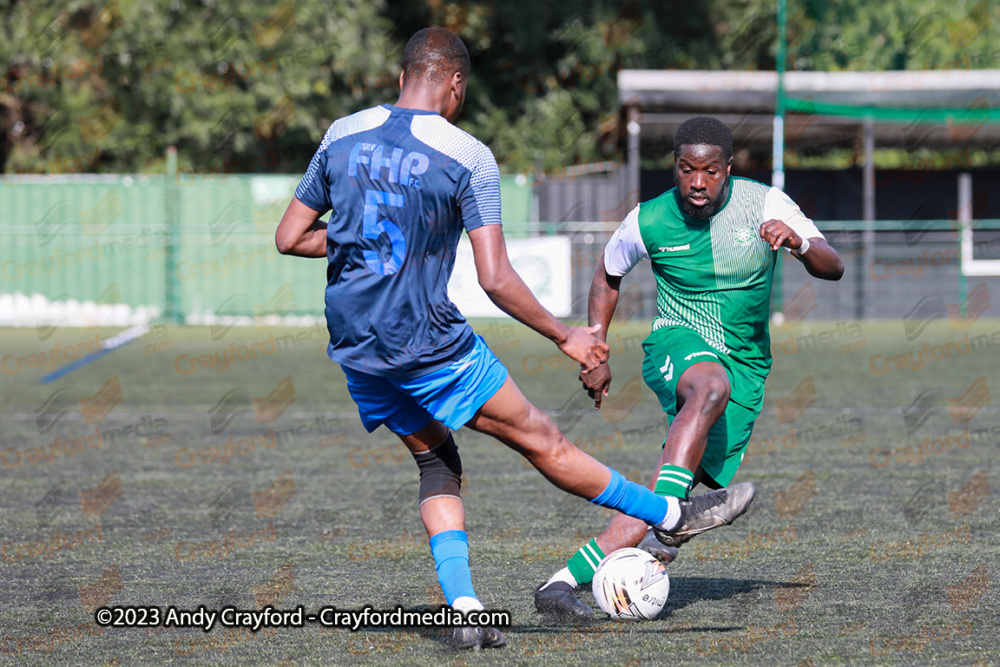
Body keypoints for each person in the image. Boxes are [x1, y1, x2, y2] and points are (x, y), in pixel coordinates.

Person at [274, 31, 747, 649]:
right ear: (456, 86)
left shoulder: (341, 132)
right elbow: (495, 278)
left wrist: (360, 243)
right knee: (542, 439)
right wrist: (565, 336)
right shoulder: (468, 155)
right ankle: (671, 514)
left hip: (357, 345)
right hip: (425, 342)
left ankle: (465, 609)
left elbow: (290, 236)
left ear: (402, 77)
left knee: (436, 460)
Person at [535, 116, 845, 618]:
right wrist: (596, 348)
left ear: (728, 169)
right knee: (708, 387)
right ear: (675, 167)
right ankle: (673, 522)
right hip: (676, 345)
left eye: (710, 171)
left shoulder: (765, 203)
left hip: (746, 366)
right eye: (686, 169)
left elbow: (834, 265)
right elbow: (607, 275)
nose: (697, 182)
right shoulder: (647, 219)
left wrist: (799, 242)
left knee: (666, 493)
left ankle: (561, 582)